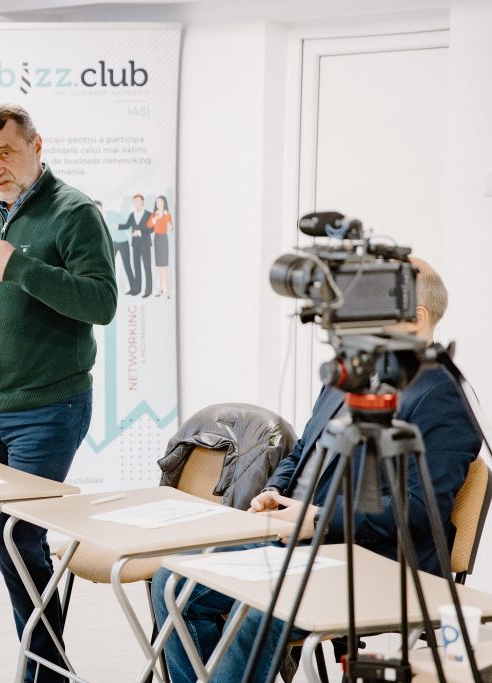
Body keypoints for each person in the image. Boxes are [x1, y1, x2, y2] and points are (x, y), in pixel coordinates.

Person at [150, 259, 480, 683]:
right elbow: (304, 449)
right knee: (173, 581)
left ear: (416, 319)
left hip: (376, 562)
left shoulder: (441, 397)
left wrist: (318, 518)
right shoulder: (350, 373)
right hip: (302, 541)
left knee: (261, 606)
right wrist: (274, 491)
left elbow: (418, 510)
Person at [0, 103, 117, 682]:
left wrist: (20, 267)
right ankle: (50, 667)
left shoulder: (75, 213)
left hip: (49, 409)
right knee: (18, 540)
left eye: (7, 153)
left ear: (37, 146)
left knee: (16, 537)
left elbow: (101, 303)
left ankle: (44, 672)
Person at [97, 199, 139, 296]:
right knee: (109, 265)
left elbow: (125, 223)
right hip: (113, 243)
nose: (97, 211)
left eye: (99, 208)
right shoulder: (97, 220)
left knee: (127, 265)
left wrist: (129, 232)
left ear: (102, 208)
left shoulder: (111, 214)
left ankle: (134, 288)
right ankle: (109, 289)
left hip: (123, 242)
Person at [124, 194, 154, 297]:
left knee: (147, 267)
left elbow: (152, 228)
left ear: (142, 202)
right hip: (135, 245)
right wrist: (116, 226)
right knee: (136, 267)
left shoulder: (149, 214)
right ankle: (137, 289)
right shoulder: (132, 215)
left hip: (145, 245)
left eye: (138, 200)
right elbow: (127, 225)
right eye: (134, 201)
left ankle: (148, 290)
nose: (136, 203)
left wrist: (140, 232)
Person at [147, 194, 173, 298]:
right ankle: (160, 288)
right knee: (158, 266)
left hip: (164, 239)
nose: (159, 204)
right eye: (157, 202)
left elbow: (171, 227)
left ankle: (167, 290)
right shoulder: (154, 214)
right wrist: (155, 219)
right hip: (157, 239)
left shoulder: (167, 214)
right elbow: (149, 225)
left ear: (164, 203)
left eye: (160, 202)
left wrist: (169, 226)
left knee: (165, 266)